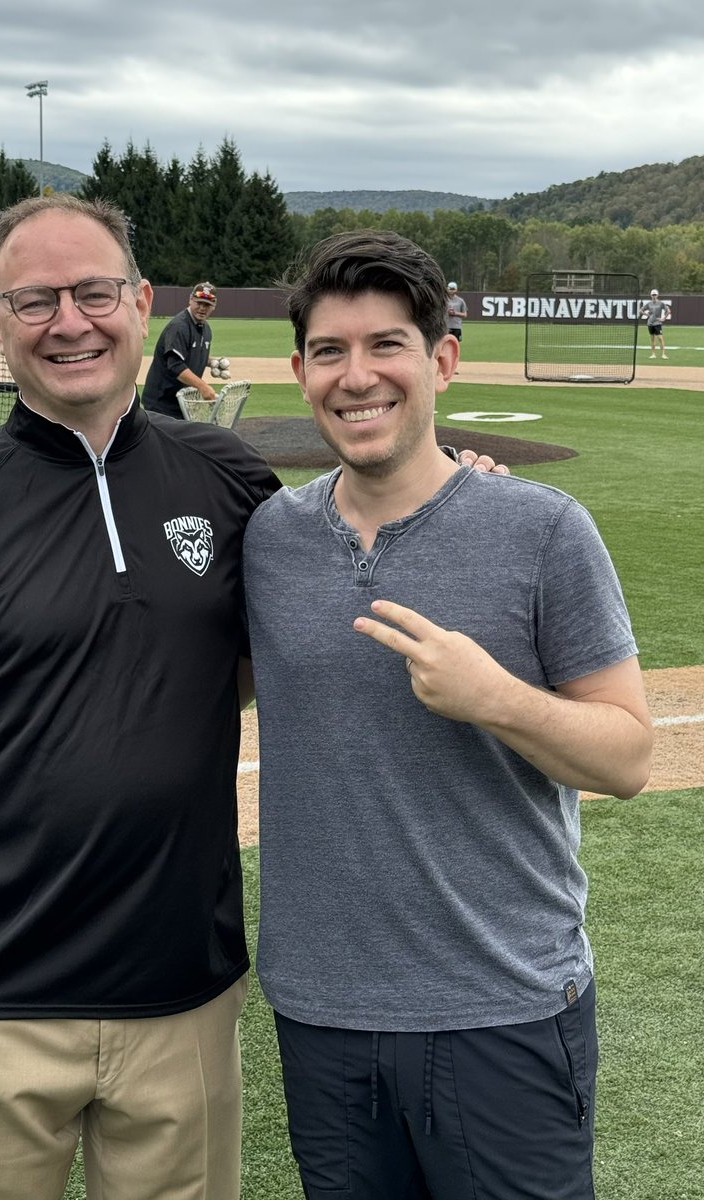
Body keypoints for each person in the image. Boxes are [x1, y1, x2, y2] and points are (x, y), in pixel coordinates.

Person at [0, 194, 282, 1200]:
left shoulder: (228, 481)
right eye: (34, 299)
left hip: (184, 1003)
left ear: (140, 302)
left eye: (94, 291)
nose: (69, 321)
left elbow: (339, 599)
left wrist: (457, 491)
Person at [243, 230, 653, 1200]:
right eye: (330, 352)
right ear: (299, 371)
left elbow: (628, 755)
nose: (357, 377)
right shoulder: (268, 539)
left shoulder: (542, 530)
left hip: (499, 1010)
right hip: (320, 1014)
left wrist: (495, 699)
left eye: (386, 345)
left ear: (441, 358)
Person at [141, 281, 220, 418]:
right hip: (162, 402)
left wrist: (212, 362)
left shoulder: (205, 329)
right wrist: (203, 387)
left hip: (180, 402)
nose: (202, 308)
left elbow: (191, 354)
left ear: (214, 306)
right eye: (199, 302)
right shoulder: (180, 326)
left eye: (207, 305)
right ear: (190, 300)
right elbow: (176, 365)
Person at [639, 287, 671, 358]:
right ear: (651, 295)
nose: (654, 296)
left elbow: (668, 311)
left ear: (657, 295)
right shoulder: (649, 304)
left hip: (657, 323)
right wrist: (646, 314)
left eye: (655, 295)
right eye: (653, 295)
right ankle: (653, 354)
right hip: (650, 323)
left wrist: (663, 318)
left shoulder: (661, 303)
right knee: (652, 339)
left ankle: (663, 354)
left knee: (660, 338)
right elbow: (640, 310)